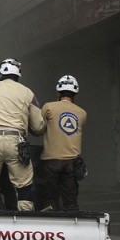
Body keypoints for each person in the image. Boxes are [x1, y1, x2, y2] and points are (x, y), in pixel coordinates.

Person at [0, 58, 45, 211]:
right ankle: (25, 226)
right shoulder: (27, 92)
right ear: (18, 73)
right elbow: (38, 127)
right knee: (24, 186)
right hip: (16, 142)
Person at [40, 75, 87, 211]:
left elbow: (39, 128)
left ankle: (51, 229)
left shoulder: (48, 107)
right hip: (72, 162)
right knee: (70, 201)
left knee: (49, 200)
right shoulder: (82, 113)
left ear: (58, 92)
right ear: (76, 93)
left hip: (50, 160)